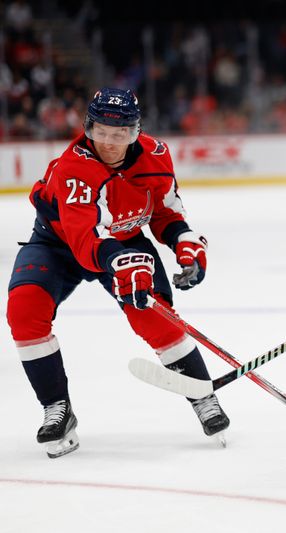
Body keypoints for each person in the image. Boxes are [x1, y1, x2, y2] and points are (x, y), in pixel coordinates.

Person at [6, 87, 230, 458]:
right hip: (58, 244)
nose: (109, 142)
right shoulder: (73, 167)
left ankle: (203, 397)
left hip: (124, 239)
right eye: (100, 132)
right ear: (88, 128)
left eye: (120, 134)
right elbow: (83, 237)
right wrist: (120, 262)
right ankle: (56, 408)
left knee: (154, 317)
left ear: (136, 131)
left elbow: (165, 211)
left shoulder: (156, 156)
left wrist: (184, 242)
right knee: (24, 310)